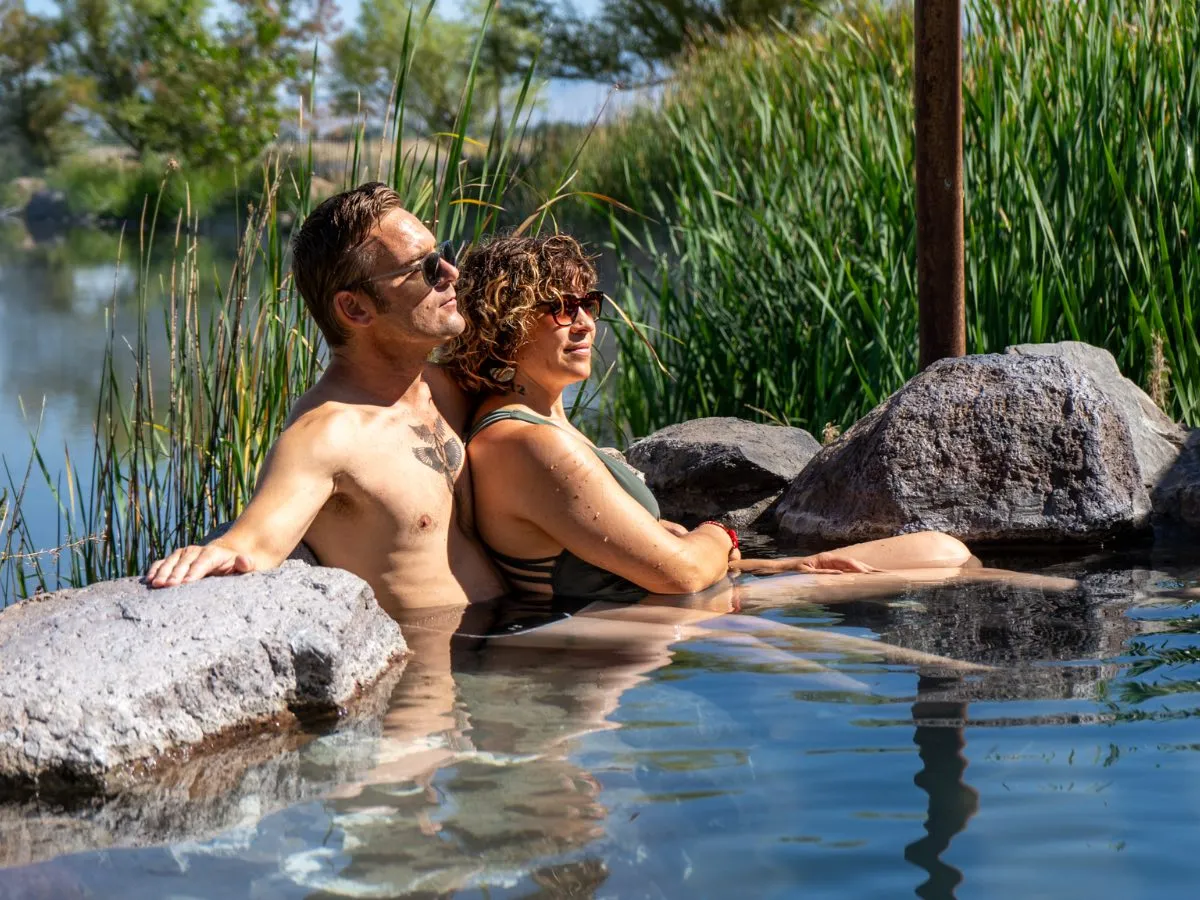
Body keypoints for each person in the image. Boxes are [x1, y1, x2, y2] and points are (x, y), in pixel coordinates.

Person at [440, 232, 977, 604]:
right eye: (559, 306)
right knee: (950, 566)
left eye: (589, 302)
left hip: (708, 589)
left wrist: (783, 565)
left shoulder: (543, 421)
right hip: (663, 614)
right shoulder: (523, 442)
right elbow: (681, 575)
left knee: (943, 550)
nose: (582, 321)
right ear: (503, 324)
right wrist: (722, 531)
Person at [147, 182, 507, 613]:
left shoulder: (444, 387)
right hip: (437, 668)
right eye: (424, 268)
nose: (451, 273)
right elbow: (254, 543)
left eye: (444, 252)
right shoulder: (327, 435)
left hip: (522, 641)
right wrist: (220, 550)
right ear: (355, 310)